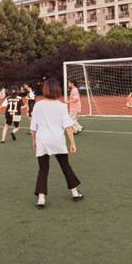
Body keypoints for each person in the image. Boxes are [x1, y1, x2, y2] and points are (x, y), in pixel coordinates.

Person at [30, 78, 83, 209]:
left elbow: (33, 126)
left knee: (43, 169)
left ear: (45, 89)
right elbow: (68, 127)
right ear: (57, 90)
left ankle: (41, 199)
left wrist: (34, 140)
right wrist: (73, 143)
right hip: (57, 140)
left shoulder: (38, 105)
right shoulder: (62, 106)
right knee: (65, 166)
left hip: (43, 140)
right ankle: (75, 193)